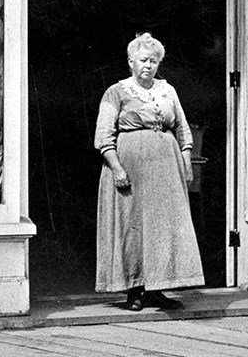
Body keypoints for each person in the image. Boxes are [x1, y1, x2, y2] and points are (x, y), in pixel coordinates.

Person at [93, 32, 204, 311]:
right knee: (133, 226)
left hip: (166, 169)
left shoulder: (167, 91)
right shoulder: (116, 92)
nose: (148, 66)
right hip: (130, 167)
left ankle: (157, 288)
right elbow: (103, 136)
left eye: (154, 61)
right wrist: (117, 168)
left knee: (162, 226)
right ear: (131, 61)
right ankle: (134, 289)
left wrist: (186, 162)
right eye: (143, 60)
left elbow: (182, 129)